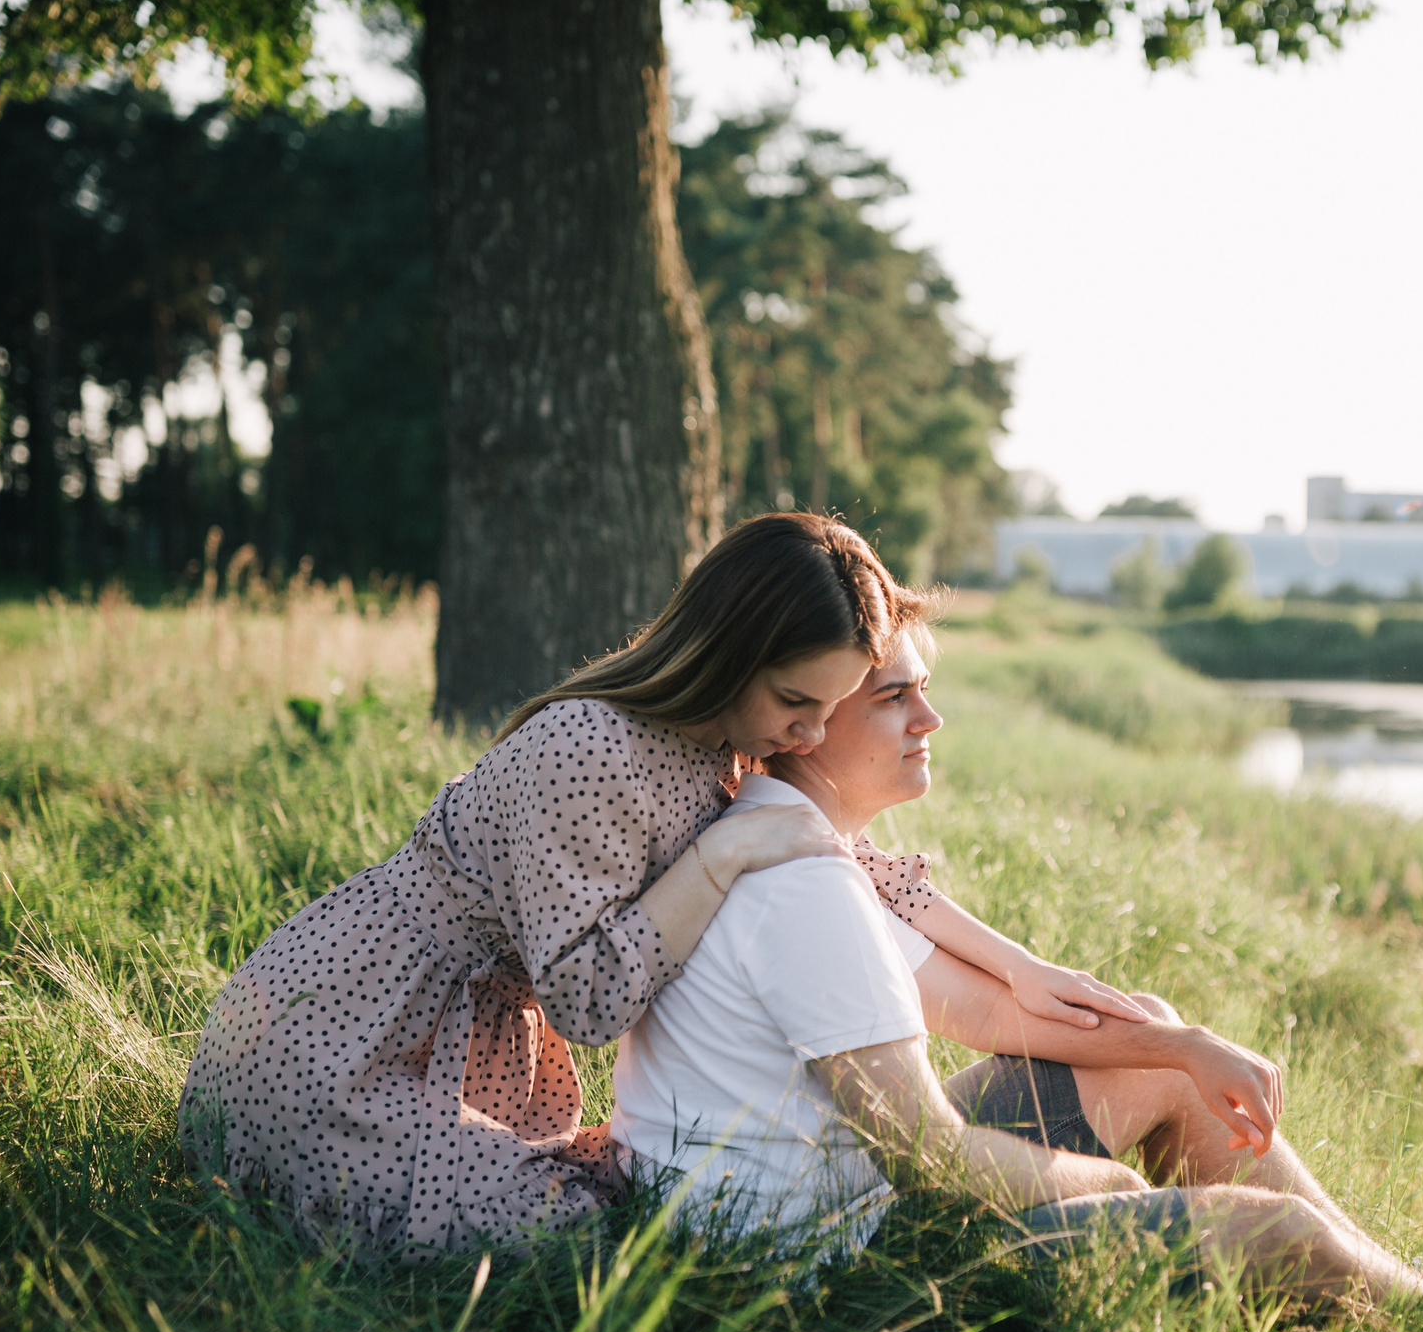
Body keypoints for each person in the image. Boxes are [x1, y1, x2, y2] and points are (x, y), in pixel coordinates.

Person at [177, 514, 1151, 1256]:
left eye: (830, 708)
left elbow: (850, 864)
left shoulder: (732, 738)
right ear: (729, 655)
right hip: (339, 1044)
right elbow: (587, 1004)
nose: (813, 735)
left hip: (453, 1037)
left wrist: (1019, 968)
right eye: (797, 703)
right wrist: (719, 861)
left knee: (625, 1233)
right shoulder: (591, 748)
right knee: (591, 1253)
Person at [608, 625, 1423, 1310]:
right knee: (1282, 1232)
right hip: (833, 1272)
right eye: (894, 696)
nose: (929, 718)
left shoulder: (783, 834)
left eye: (925, 688)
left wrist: (1181, 1045)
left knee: (1161, 1058)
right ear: (804, 721)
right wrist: (1109, 1184)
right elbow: (927, 1157)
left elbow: (988, 1013)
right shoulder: (805, 888)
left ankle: (1407, 1287)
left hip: (833, 1192)